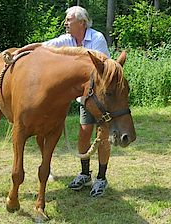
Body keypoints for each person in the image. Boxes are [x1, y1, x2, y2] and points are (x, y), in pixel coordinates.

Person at [13, 6, 111, 197]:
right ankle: (84, 174)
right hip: (85, 99)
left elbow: (102, 66)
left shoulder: (97, 39)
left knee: (102, 137)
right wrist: (20, 52)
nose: (65, 23)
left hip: (101, 98)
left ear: (81, 22)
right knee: (84, 135)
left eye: (69, 20)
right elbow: (43, 46)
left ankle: (101, 178)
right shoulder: (66, 40)